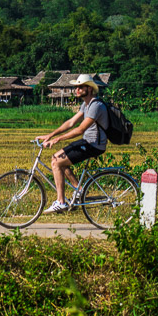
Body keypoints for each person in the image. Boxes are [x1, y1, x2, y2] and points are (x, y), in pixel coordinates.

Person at [36, 73, 108, 214]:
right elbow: (70, 123)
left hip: (94, 145)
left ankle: (61, 202)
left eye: (80, 87)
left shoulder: (96, 105)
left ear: (89, 88)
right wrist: (50, 135)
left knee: (56, 162)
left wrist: (58, 139)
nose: (77, 90)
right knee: (57, 158)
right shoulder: (86, 105)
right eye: (76, 87)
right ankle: (79, 190)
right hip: (87, 142)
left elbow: (80, 129)